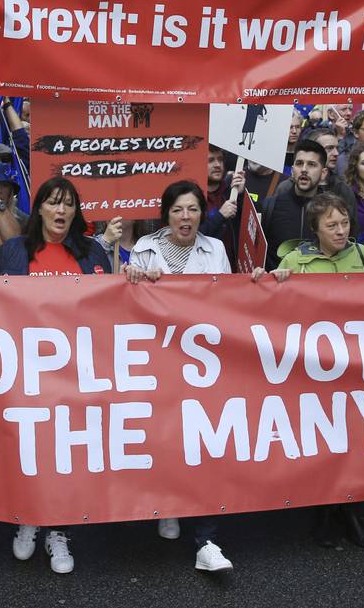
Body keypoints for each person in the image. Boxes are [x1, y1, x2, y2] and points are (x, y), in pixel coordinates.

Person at [254, 193, 364, 549]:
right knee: (323, 441)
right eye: (331, 225)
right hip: (314, 368)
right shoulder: (295, 260)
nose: (340, 231)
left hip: (357, 364)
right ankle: (323, 514)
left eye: (345, 223)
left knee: (355, 439)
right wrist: (270, 279)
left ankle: (351, 512)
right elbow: (270, 304)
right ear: (315, 229)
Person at [0, 177, 107, 575]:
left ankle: (58, 528)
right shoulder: (13, 250)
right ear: (38, 207)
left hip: (74, 370)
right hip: (25, 368)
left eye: (68, 204)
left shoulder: (93, 251)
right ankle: (29, 516)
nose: (61, 210)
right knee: (29, 448)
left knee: (65, 452)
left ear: (76, 212)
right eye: (54, 202)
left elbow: (108, 308)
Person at [121, 180, 233, 572]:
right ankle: (167, 504)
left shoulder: (215, 249)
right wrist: (134, 279)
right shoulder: (145, 248)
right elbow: (128, 305)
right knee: (166, 438)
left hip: (203, 365)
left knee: (205, 444)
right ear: (166, 215)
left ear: (203, 213)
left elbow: (230, 301)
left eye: (193, 209)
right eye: (178, 210)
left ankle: (207, 541)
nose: (186, 218)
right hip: (158, 362)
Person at [262, 141, 332, 269]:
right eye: (299, 163)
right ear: (292, 170)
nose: (304, 169)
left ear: (323, 173)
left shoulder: (332, 210)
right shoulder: (271, 206)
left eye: (311, 164)